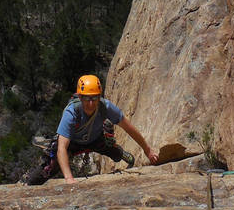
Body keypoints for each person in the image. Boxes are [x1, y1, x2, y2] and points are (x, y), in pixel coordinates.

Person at [20, 74, 159, 185]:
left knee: (115, 154)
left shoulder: (106, 107)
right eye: (87, 99)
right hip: (73, 143)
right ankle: (29, 182)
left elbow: (129, 128)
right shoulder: (71, 113)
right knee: (51, 166)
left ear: (100, 96)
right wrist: (69, 179)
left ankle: (121, 153)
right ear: (80, 97)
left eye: (95, 98)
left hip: (96, 138)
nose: (91, 103)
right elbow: (62, 148)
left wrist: (147, 150)